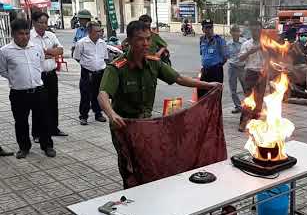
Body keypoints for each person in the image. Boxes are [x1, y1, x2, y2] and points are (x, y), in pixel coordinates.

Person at [97, 20, 222, 189]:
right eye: (141, 39)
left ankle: (146, 193)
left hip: (146, 125)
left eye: (148, 39)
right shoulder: (117, 67)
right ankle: (131, 195)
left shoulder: (153, 63)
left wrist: (208, 85)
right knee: (129, 165)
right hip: (124, 126)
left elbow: (178, 78)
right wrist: (112, 114)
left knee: (147, 160)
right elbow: (103, 94)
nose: (146, 43)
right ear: (129, 42)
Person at [0, 18, 56, 158]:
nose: (24, 37)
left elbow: (41, 64)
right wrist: (17, 79)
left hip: (38, 90)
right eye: (21, 34)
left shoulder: (36, 47)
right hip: (19, 93)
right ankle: (24, 147)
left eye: (27, 33)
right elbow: (3, 70)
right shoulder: (5, 51)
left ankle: (47, 145)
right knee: (21, 122)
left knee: (44, 119)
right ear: (13, 34)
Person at [30, 11, 68, 143]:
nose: (44, 25)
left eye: (46, 22)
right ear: (34, 23)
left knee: (53, 102)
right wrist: (51, 53)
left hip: (51, 75)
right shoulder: (29, 36)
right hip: (37, 76)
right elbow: (32, 55)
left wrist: (47, 52)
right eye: (41, 22)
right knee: (38, 104)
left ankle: (53, 128)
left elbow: (61, 50)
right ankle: (37, 133)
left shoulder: (51, 35)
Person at [73, 21, 108, 125]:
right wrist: (88, 65)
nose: (100, 33)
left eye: (100, 31)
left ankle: (98, 113)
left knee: (98, 94)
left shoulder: (103, 43)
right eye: (97, 31)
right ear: (90, 32)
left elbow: (105, 58)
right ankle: (83, 116)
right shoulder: (81, 43)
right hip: (87, 72)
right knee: (85, 95)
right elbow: (77, 57)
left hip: (100, 72)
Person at [238, 20, 268, 132]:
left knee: (259, 100)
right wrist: (250, 51)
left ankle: (255, 123)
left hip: (262, 73)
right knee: (248, 99)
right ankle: (242, 123)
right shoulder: (246, 44)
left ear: (261, 30)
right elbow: (240, 58)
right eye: (254, 30)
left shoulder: (266, 43)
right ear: (250, 30)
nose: (256, 32)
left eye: (258, 30)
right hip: (250, 72)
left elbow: (272, 58)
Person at [198, 19, 228, 99]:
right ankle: (204, 111)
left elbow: (225, 56)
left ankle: (215, 112)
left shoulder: (219, 40)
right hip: (205, 71)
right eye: (206, 28)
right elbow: (202, 54)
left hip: (216, 71)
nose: (209, 30)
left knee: (216, 96)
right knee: (202, 94)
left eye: (210, 27)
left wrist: (218, 65)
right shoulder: (201, 40)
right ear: (203, 29)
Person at [226, 25, 246, 114]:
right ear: (231, 33)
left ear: (239, 32)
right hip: (232, 67)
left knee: (246, 88)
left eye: (237, 31)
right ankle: (238, 106)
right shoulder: (228, 44)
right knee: (233, 89)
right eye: (233, 32)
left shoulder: (245, 42)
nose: (235, 33)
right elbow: (226, 55)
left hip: (243, 67)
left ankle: (248, 105)